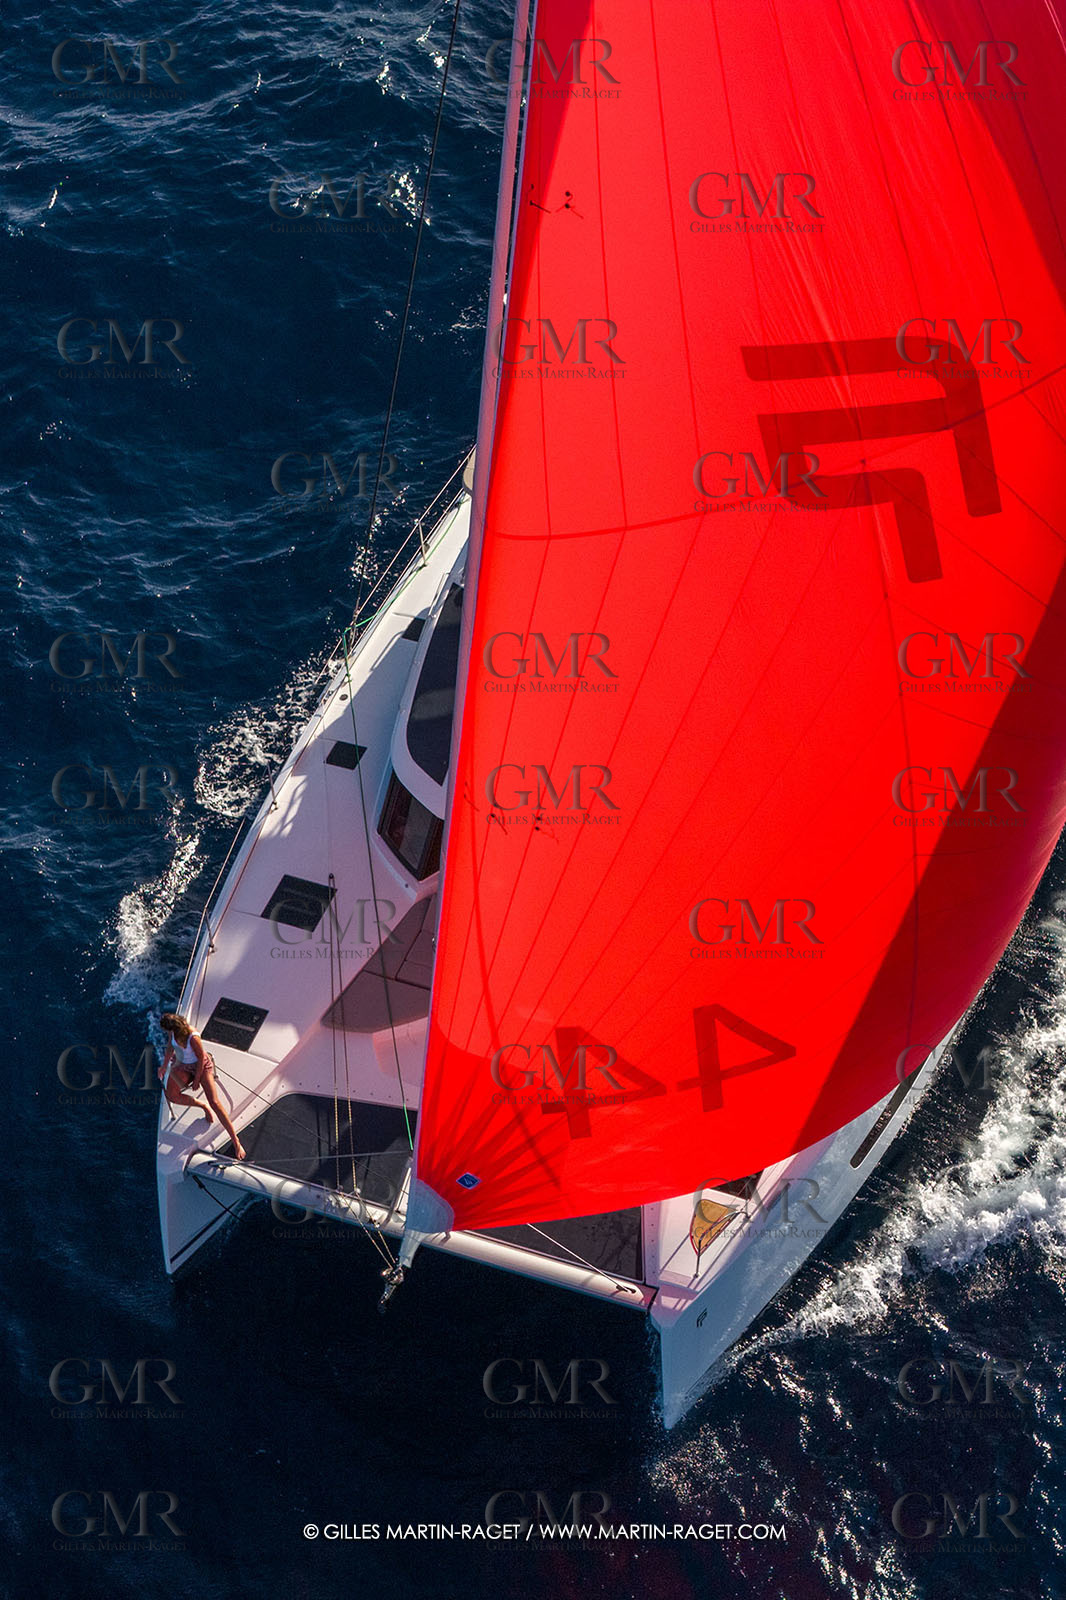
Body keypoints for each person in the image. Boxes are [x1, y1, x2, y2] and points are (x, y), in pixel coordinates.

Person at [159, 1012, 247, 1161]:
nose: (168, 1033)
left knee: (215, 1102)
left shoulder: (192, 1036)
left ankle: (236, 1141)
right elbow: (169, 1049)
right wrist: (164, 1066)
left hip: (202, 1066)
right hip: (184, 1065)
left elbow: (200, 1058)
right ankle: (202, 1105)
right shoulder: (173, 1033)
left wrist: (197, 1079)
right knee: (171, 1095)